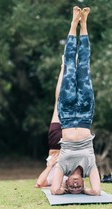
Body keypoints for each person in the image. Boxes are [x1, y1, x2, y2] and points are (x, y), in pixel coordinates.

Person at [50, 6, 101, 195]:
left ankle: (73, 24)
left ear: (67, 182)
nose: (75, 186)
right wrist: (85, 192)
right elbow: (96, 191)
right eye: (77, 187)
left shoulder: (62, 165)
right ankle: (84, 24)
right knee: (84, 66)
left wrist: (63, 190)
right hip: (86, 113)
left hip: (67, 112)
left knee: (70, 65)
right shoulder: (90, 167)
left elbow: (54, 190)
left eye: (71, 187)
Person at [35, 58, 68, 188]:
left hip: (55, 143)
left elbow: (39, 183)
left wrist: (50, 166)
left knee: (58, 101)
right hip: (69, 142)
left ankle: (63, 67)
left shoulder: (49, 180)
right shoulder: (67, 182)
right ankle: (71, 68)